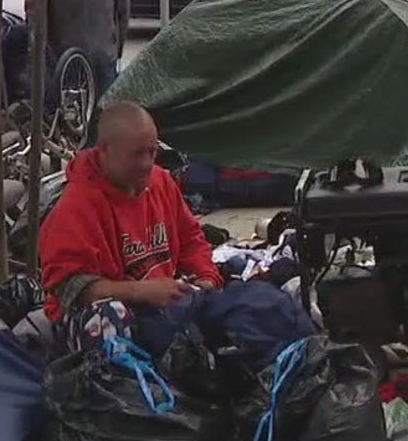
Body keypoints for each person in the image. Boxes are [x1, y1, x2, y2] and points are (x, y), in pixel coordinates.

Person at [39, 101, 313, 357]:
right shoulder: (75, 207)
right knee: (110, 318)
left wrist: (206, 279)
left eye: (152, 152)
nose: (147, 163)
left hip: (165, 308)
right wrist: (142, 291)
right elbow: (72, 290)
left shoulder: (161, 182)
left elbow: (192, 240)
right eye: (136, 154)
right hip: (111, 314)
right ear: (105, 152)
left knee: (261, 304)